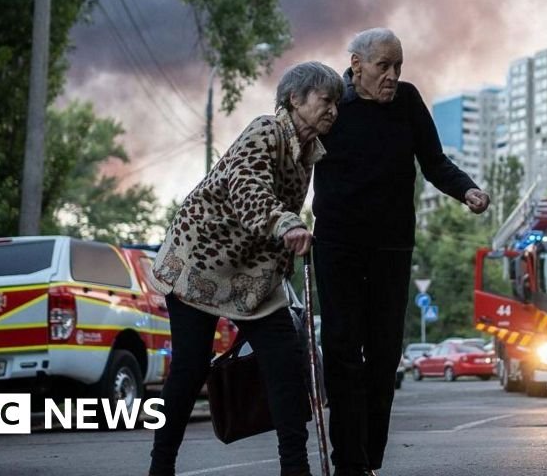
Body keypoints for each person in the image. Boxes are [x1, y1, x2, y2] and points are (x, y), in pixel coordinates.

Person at [146, 61, 344, 476]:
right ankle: (160, 466)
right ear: (295, 99)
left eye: (336, 104)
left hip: (254, 276)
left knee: (286, 364)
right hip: (200, 263)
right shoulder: (264, 131)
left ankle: (295, 469)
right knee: (189, 369)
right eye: (326, 100)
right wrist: (286, 222)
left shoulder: (308, 152)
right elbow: (248, 187)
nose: (333, 111)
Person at [311, 28, 491, 475]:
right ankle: (349, 462)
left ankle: (369, 456)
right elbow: (297, 157)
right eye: (383, 66)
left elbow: (434, 162)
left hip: (391, 247)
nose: (392, 75)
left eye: (398, 66)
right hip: (337, 246)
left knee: (385, 354)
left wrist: (467, 189)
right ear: (356, 65)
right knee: (342, 351)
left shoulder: (407, 101)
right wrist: (286, 222)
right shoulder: (332, 104)